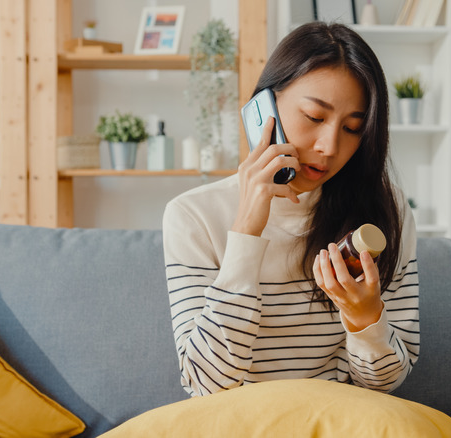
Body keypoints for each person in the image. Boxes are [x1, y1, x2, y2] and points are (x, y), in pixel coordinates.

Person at [162, 22, 419, 397]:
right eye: (315, 117)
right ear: (264, 107)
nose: (329, 146)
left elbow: (385, 383)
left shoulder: (384, 209)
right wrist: (247, 230)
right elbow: (208, 384)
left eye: (352, 128)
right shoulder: (193, 216)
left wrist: (365, 318)